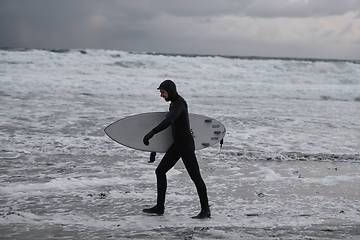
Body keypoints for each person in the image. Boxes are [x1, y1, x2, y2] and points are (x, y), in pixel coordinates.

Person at [142, 80, 211, 219]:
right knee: (160, 171)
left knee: (196, 177)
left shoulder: (179, 104)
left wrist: (152, 132)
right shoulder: (173, 104)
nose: (161, 95)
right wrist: (154, 148)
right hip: (177, 145)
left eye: (163, 92)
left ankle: (205, 210)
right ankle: (160, 207)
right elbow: (170, 133)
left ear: (170, 91)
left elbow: (169, 121)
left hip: (185, 146)